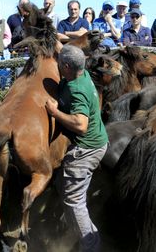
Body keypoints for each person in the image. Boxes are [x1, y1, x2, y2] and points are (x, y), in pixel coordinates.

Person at [45, 44, 108, 252]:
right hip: (98, 142)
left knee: (74, 202)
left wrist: (55, 113)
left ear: (65, 66)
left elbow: (81, 125)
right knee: (65, 189)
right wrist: (51, 36)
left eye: (59, 62)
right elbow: (67, 51)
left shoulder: (76, 88)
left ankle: (91, 246)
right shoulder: (81, 71)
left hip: (86, 150)